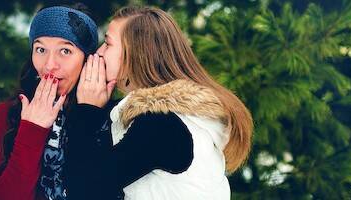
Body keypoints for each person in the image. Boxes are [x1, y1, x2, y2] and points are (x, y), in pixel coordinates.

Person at [66, 6, 254, 200]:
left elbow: (84, 189)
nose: (99, 52)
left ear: (136, 54)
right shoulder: (173, 118)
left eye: (107, 43)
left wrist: (87, 110)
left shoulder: (161, 125)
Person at [0, 4, 103, 200]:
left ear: (88, 59)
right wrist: (32, 129)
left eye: (65, 51)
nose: (49, 65)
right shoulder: (6, 115)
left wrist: (89, 114)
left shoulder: (107, 113)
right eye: (40, 49)